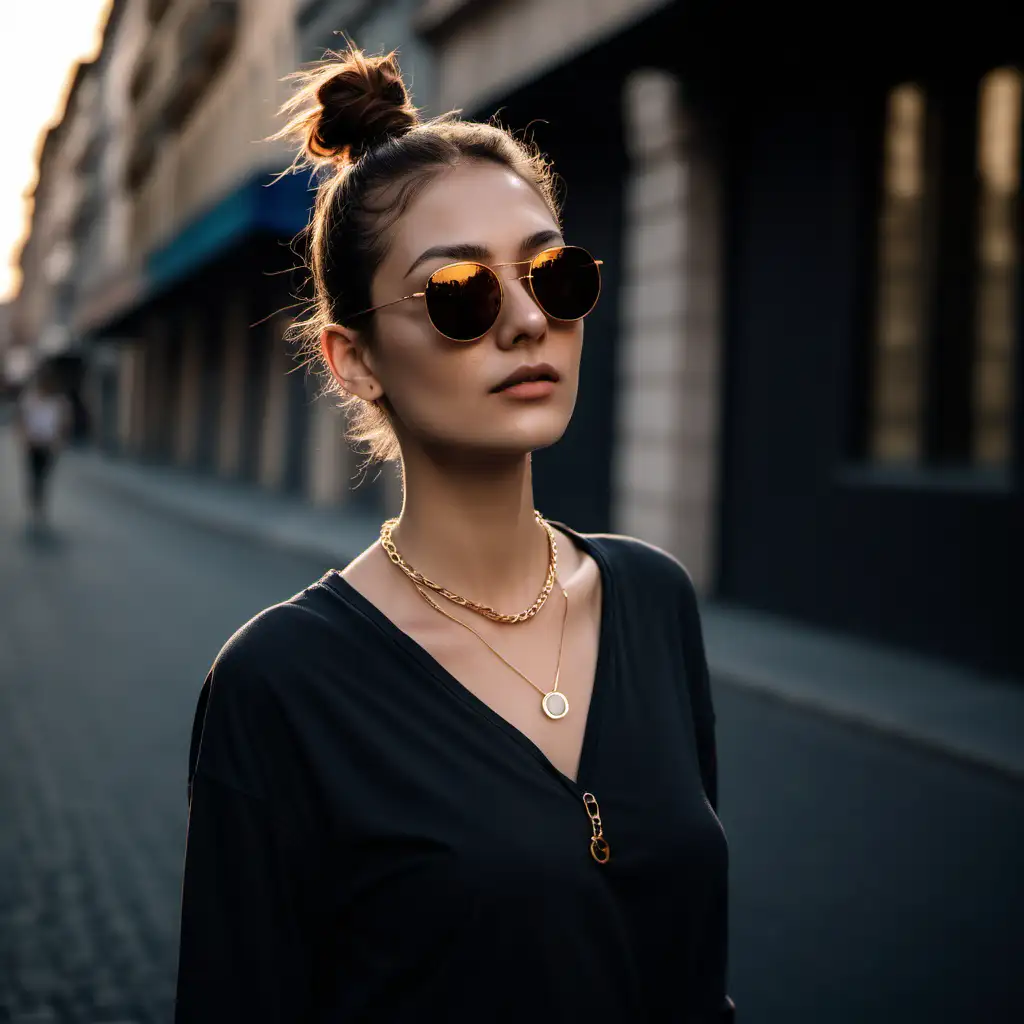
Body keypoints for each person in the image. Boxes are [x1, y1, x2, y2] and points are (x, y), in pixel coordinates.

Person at [175, 46, 735, 1023]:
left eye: (552, 275)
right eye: (460, 293)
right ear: (353, 361)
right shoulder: (280, 682)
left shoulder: (652, 599)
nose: (526, 321)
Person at [13, 366, 70, 529]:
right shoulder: (30, 399)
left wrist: (59, 441)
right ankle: (34, 504)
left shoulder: (58, 401)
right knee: (33, 474)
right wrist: (23, 438)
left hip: (49, 444)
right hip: (33, 443)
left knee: (43, 476)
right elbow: (21, 420)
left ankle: (39, 502)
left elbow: (64, 422)